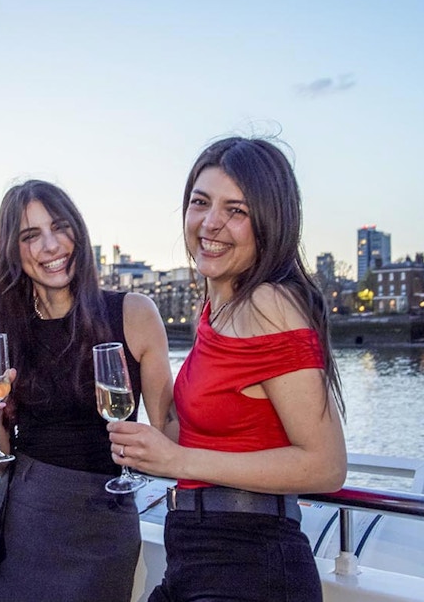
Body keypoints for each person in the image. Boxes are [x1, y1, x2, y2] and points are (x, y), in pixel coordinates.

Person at [108, 136, 348, 602]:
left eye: (235, 210)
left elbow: (326, 466)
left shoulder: (268, 303)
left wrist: (178, 461)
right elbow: (180, 435)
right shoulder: (218, 307)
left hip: (249, 562)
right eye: (201, 203)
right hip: (196, 556)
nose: (210, 223)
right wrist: (147, 356)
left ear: (268, 222)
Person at [0, 179, 174, 602]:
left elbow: (169, 428)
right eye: (31, 236)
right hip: (19, 519)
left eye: (60, 228)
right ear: (14, 252)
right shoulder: (8, 333)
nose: (51, 246)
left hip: (101, 524)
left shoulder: (133, 313)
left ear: (79, 232)